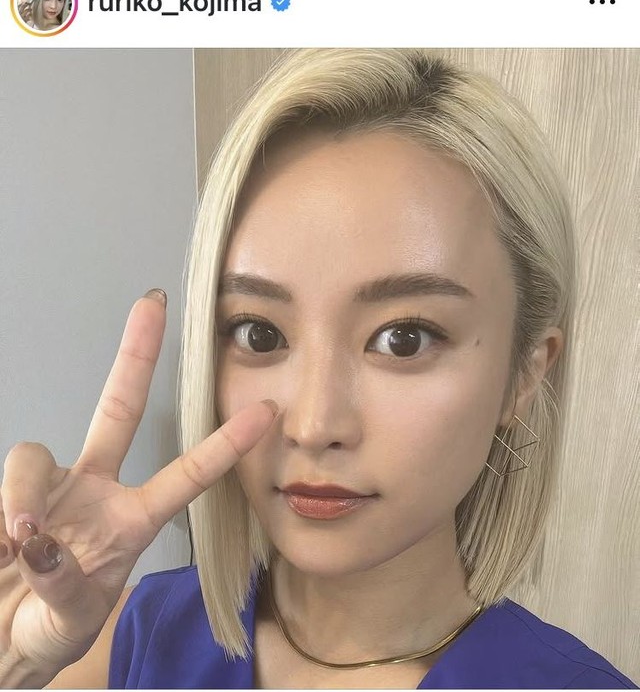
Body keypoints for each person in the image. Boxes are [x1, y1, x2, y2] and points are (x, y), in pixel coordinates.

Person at [0, 49, 636, 689]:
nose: (312, 425)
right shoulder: (119, 643)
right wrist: (14, 664)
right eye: (259, 333)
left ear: (525, 374)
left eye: (405, 339)